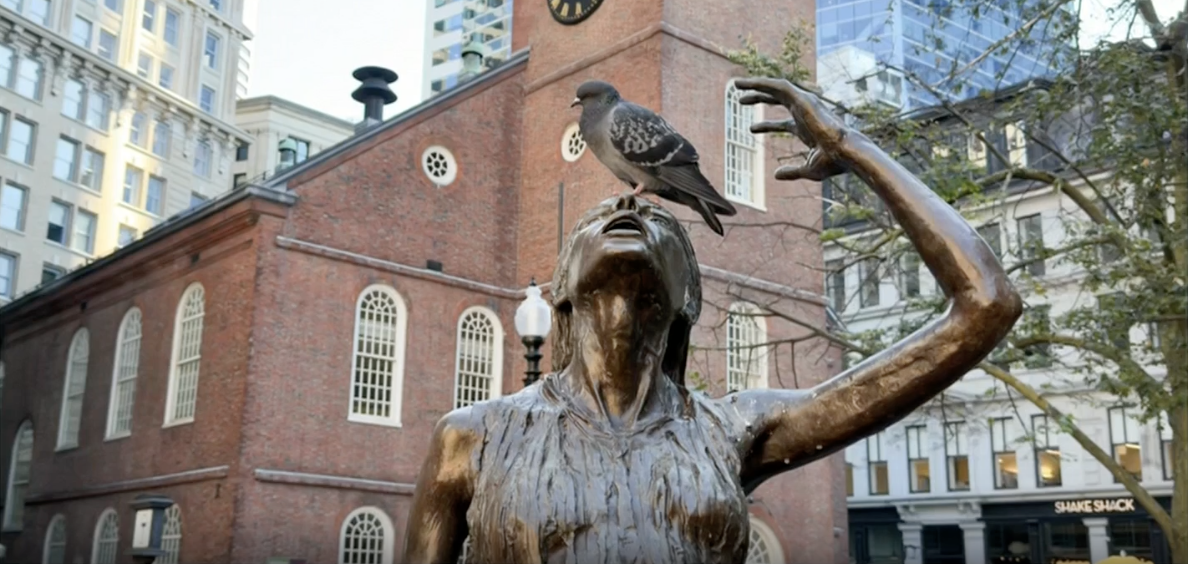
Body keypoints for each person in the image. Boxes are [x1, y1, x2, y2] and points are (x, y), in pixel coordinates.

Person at [402, 77, 1023, 564]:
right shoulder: (474, 437)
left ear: (686, 298)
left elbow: (986, 307)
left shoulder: (732, 431)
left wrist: (852, 148)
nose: (628, 213)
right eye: (606, 218)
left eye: (653, 222)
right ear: (559, 289)